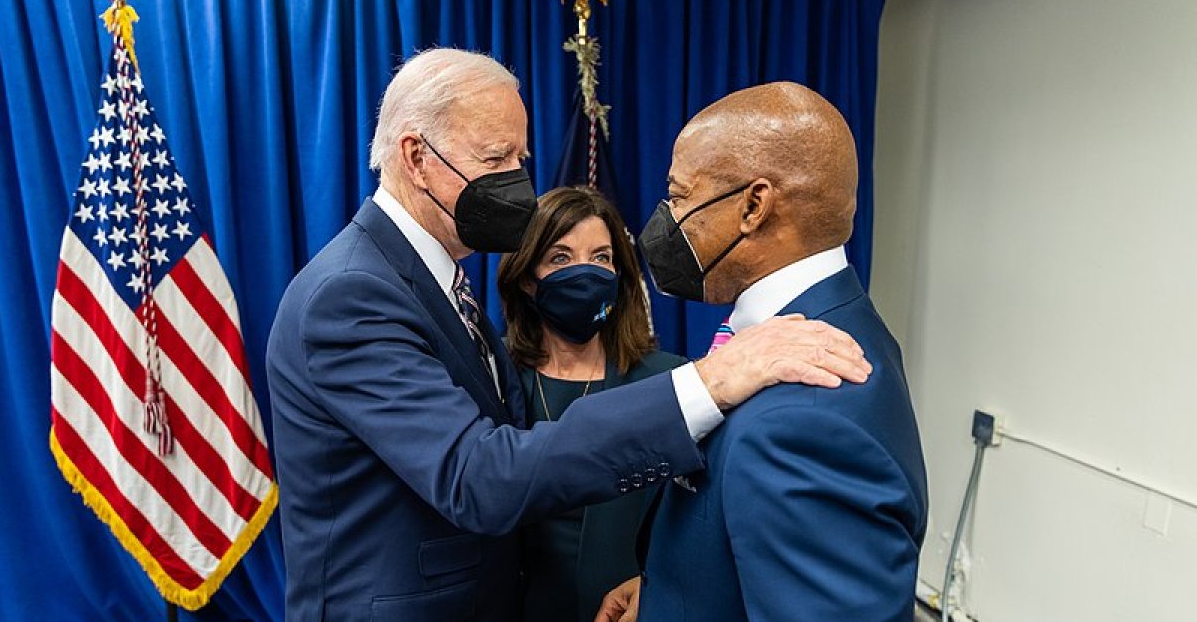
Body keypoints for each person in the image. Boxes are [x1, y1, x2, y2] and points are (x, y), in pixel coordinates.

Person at [265, 49, 873, 622]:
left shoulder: (432, 277)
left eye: (520, 162)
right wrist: (710, 381)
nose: (517, 184)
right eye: (495, 158)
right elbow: (477, 475)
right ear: (417, 158)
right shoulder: (351, 294)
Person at [597, 82, 929, 622]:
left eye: (680, 196)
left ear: (754, 205)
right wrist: (668, 594)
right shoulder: (837, 320)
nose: (665, 219)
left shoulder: (804, 417)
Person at [496, 186, 686, 622]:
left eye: (601, 257)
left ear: (619, 274)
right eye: (561, 258)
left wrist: (653, 585)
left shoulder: (666, 381)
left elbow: (696, 521)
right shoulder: (494, 378)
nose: (584, 273)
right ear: (527, 277)